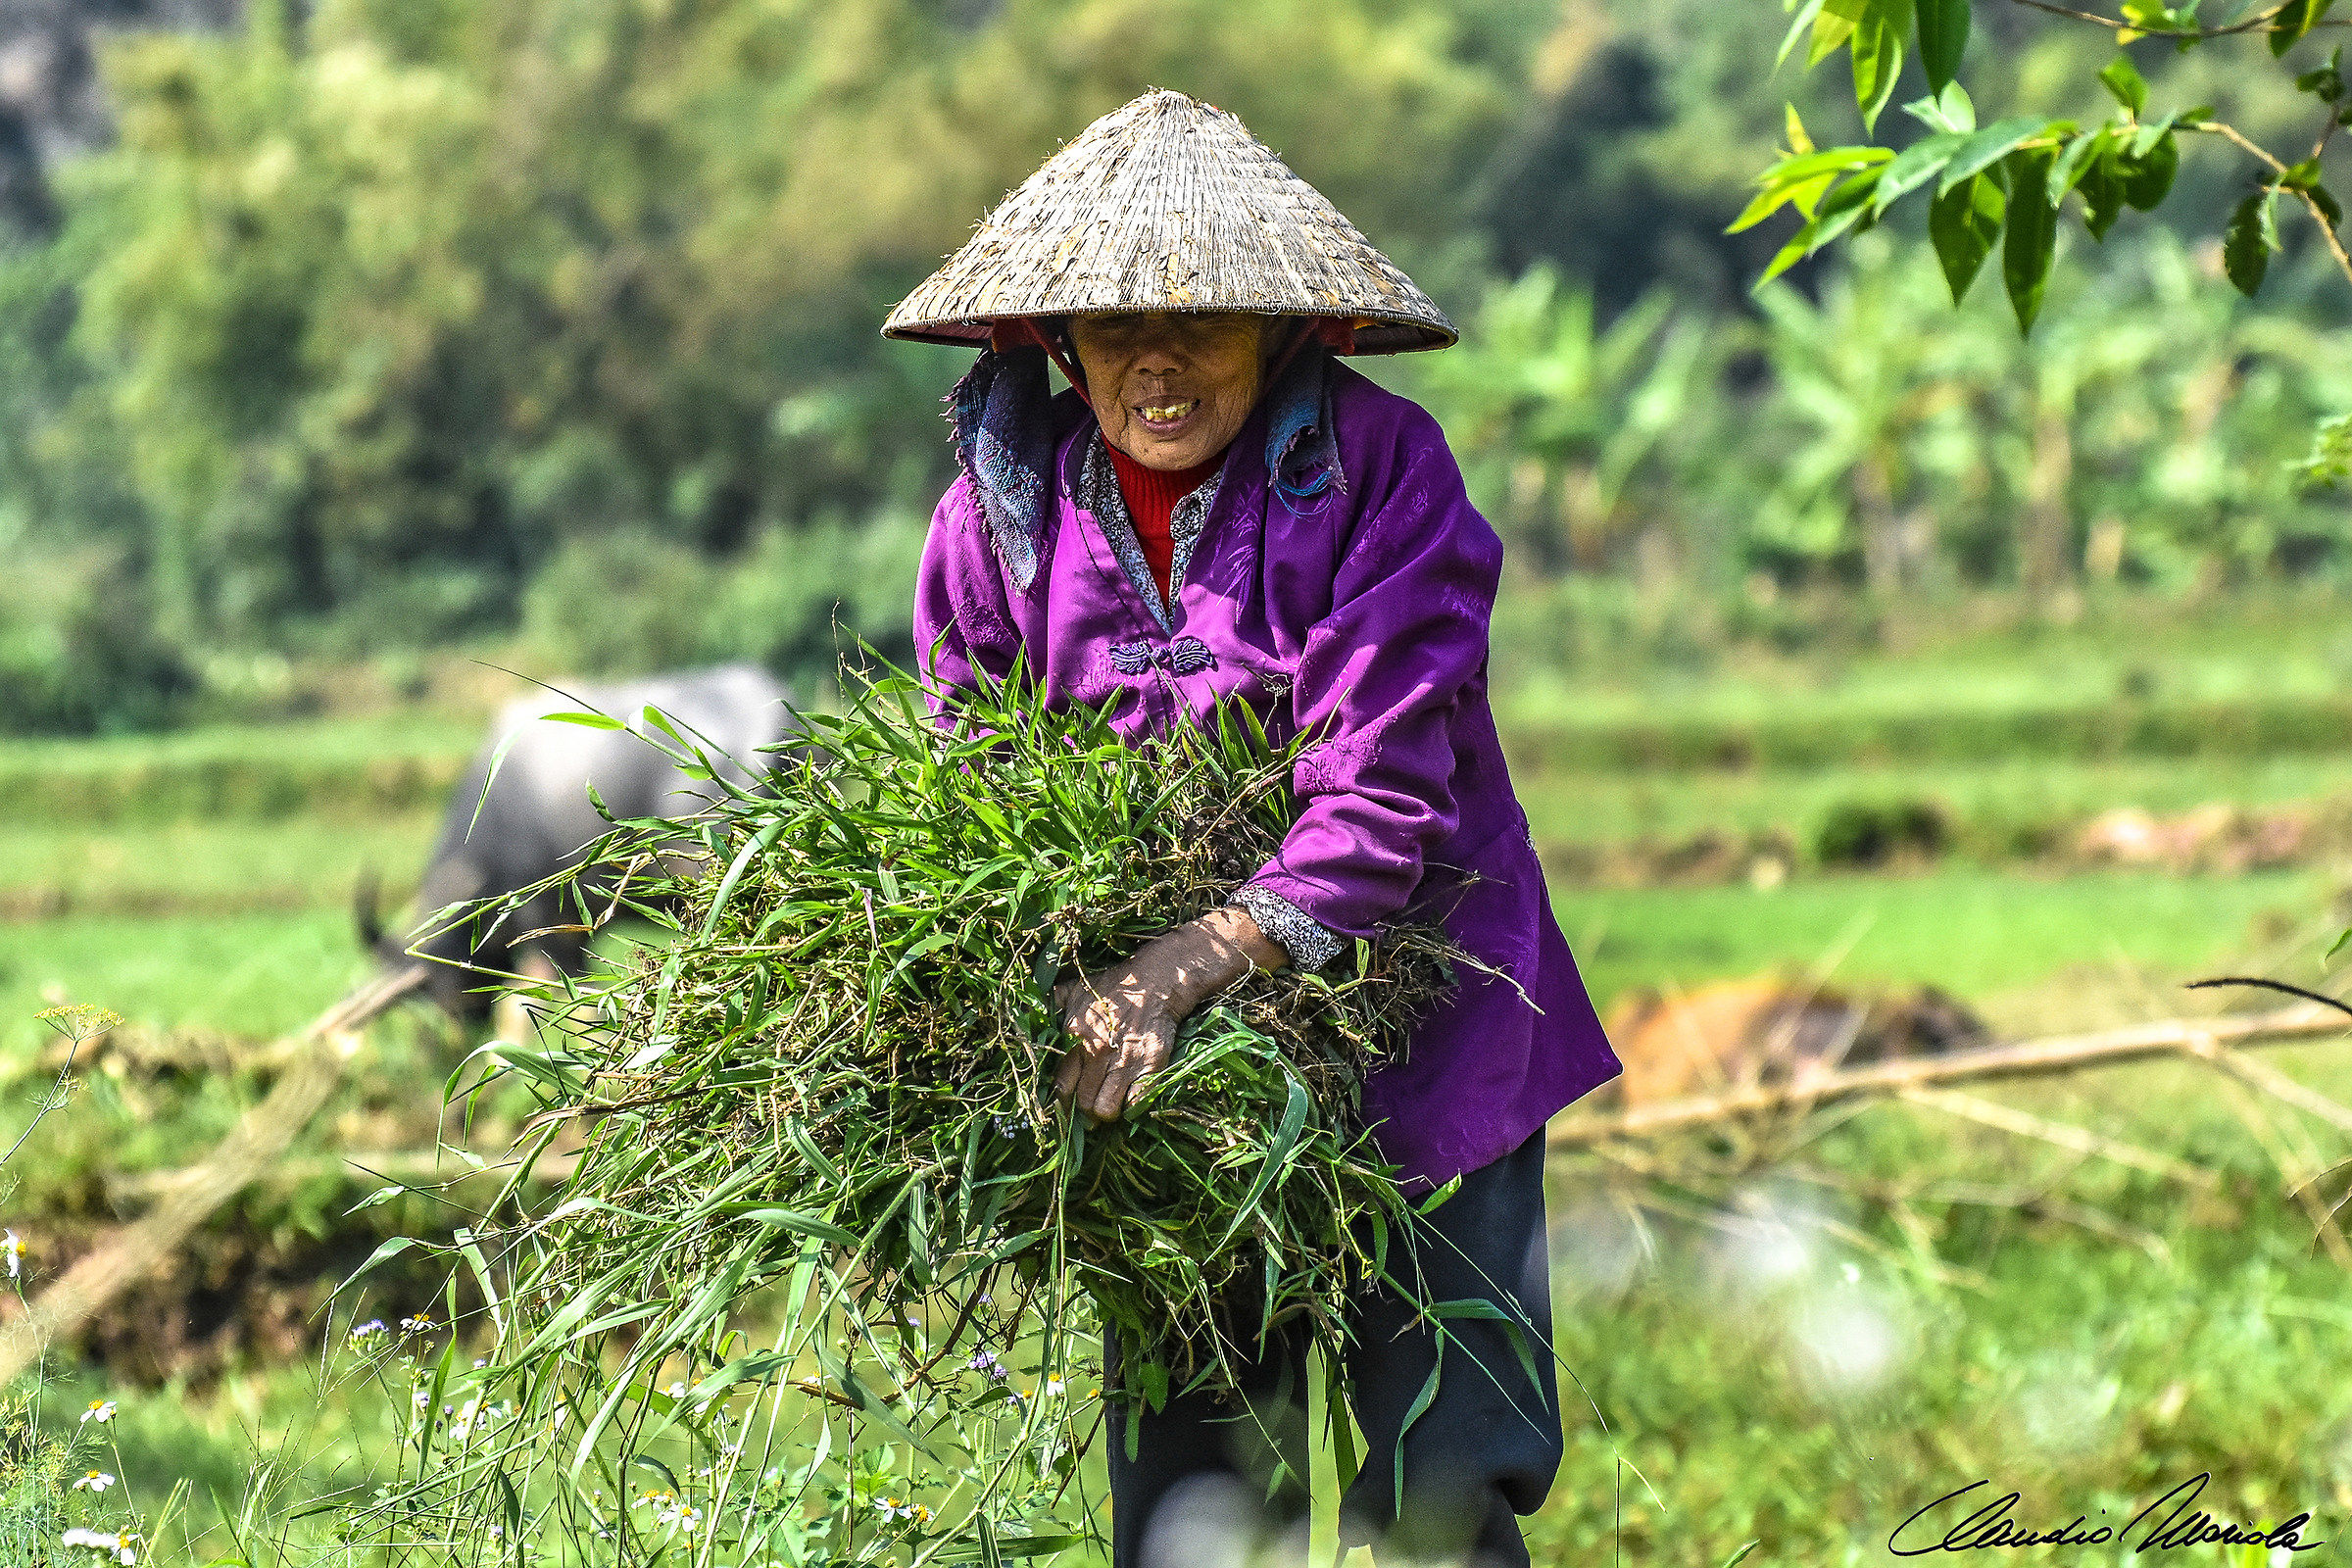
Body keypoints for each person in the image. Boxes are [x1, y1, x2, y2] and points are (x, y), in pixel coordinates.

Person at [886, 90, 1622, 1568]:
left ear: (1284, 333)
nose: (1158, 365)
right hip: (1179, 1084)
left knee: (1441, 1487)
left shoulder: (1381, 475)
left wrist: (1183, 963)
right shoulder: (992, 526)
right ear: (1053, 344)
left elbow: (1380, 798)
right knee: (1199, 1501)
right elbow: (975, 781)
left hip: (1428, 1017)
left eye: (1204, 323)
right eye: (1114, 330)